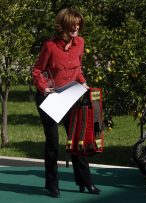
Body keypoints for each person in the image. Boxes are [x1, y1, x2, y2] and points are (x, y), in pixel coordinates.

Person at [32, 8, 100, 198]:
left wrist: (83, 81)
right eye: (72, 26)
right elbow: (37, 71)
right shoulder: (50, 46)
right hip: (49, 98)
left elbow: (76, 68)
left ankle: (86, 182)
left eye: (78, 25)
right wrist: (43, 87)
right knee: (53, 143)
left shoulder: (80, 43)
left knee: (77, 140)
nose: (76, 29)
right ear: (62, 26)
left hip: (70, 96)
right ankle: (52, 185)